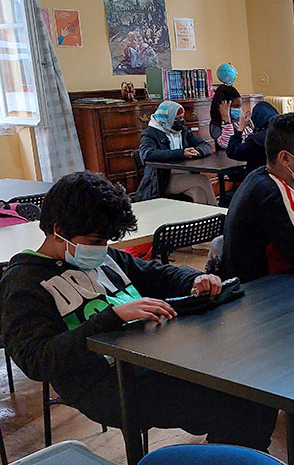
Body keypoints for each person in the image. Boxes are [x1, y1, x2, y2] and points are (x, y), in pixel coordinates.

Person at [0, 172, 279, 451]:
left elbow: (156, 273)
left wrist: (193, 280)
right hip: (106, 385)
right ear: (59, 231)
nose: (103, 249)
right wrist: (113, 317)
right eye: (95, 240)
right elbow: (35, 360)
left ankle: (235, 454)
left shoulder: (104, 256)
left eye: (107, 240)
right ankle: (237, 454)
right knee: (237, 401)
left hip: (155, 359)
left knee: (254, 384)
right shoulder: (24, 281)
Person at [221, 113, 294, 282]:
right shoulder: (275, 192)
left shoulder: (257, 176)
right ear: (285, 158)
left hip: (244, 281)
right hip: (259, 292)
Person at [136, 101, 216, 205]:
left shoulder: (182, 131)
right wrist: (181, 153)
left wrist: (198, 151)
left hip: (184, 174)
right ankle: (222, 218)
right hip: (163, 180)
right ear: (167, 119)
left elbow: (205, 145)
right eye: (177, 119)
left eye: (182, 118)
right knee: (202, 180)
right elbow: (147, 154)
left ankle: (206, 220)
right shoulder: (151, 133)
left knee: (198, 192)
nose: (181, 121)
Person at [225, 101, 279, 173]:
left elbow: (232, 151)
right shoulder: (285, 134)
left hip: (260, 179)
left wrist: (240, 128)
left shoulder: (256, 141)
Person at [210, 85, 253, 150]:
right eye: (235, 106)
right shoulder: (216, 125)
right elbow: (228, 145)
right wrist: (226, 119)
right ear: (223, 106)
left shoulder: (241, 119)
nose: (239, 109)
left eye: (240, 106)